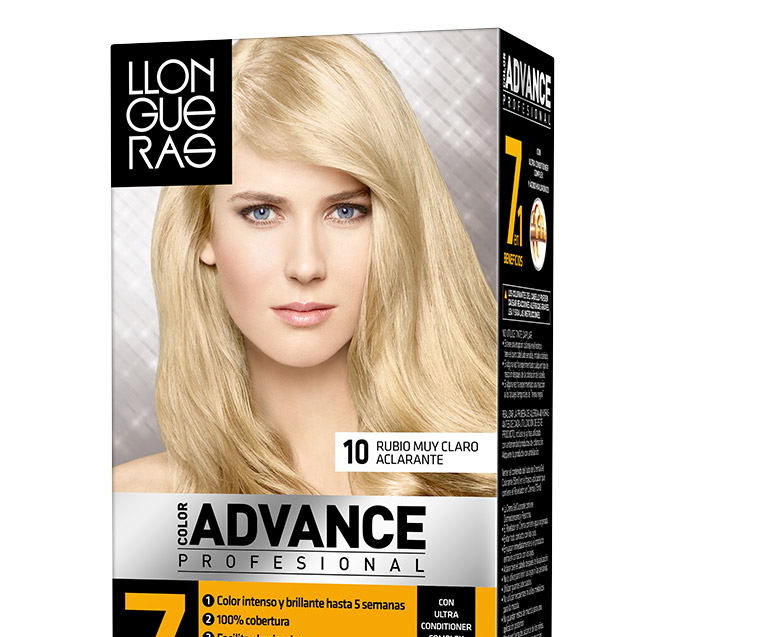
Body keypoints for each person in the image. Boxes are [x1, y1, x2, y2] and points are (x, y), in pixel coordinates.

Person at [113, 34, 497, 497]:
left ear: (397, 226)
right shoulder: (131, 505)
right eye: (261, 212)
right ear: (203, 231)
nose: (306, 265)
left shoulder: (486, 485)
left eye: (346, 211)